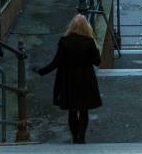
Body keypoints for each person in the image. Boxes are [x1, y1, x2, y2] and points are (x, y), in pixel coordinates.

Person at [33, 15, 102, 144]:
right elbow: (97, 62)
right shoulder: (89, 42)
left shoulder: (64, 41)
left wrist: (40, 71)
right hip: (86, 80)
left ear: (72, 26)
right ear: (86, 26)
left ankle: (75, 138)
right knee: (84, 110)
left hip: (68, 81)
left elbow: (55, 63)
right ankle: (82, 138)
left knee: (72, 110)